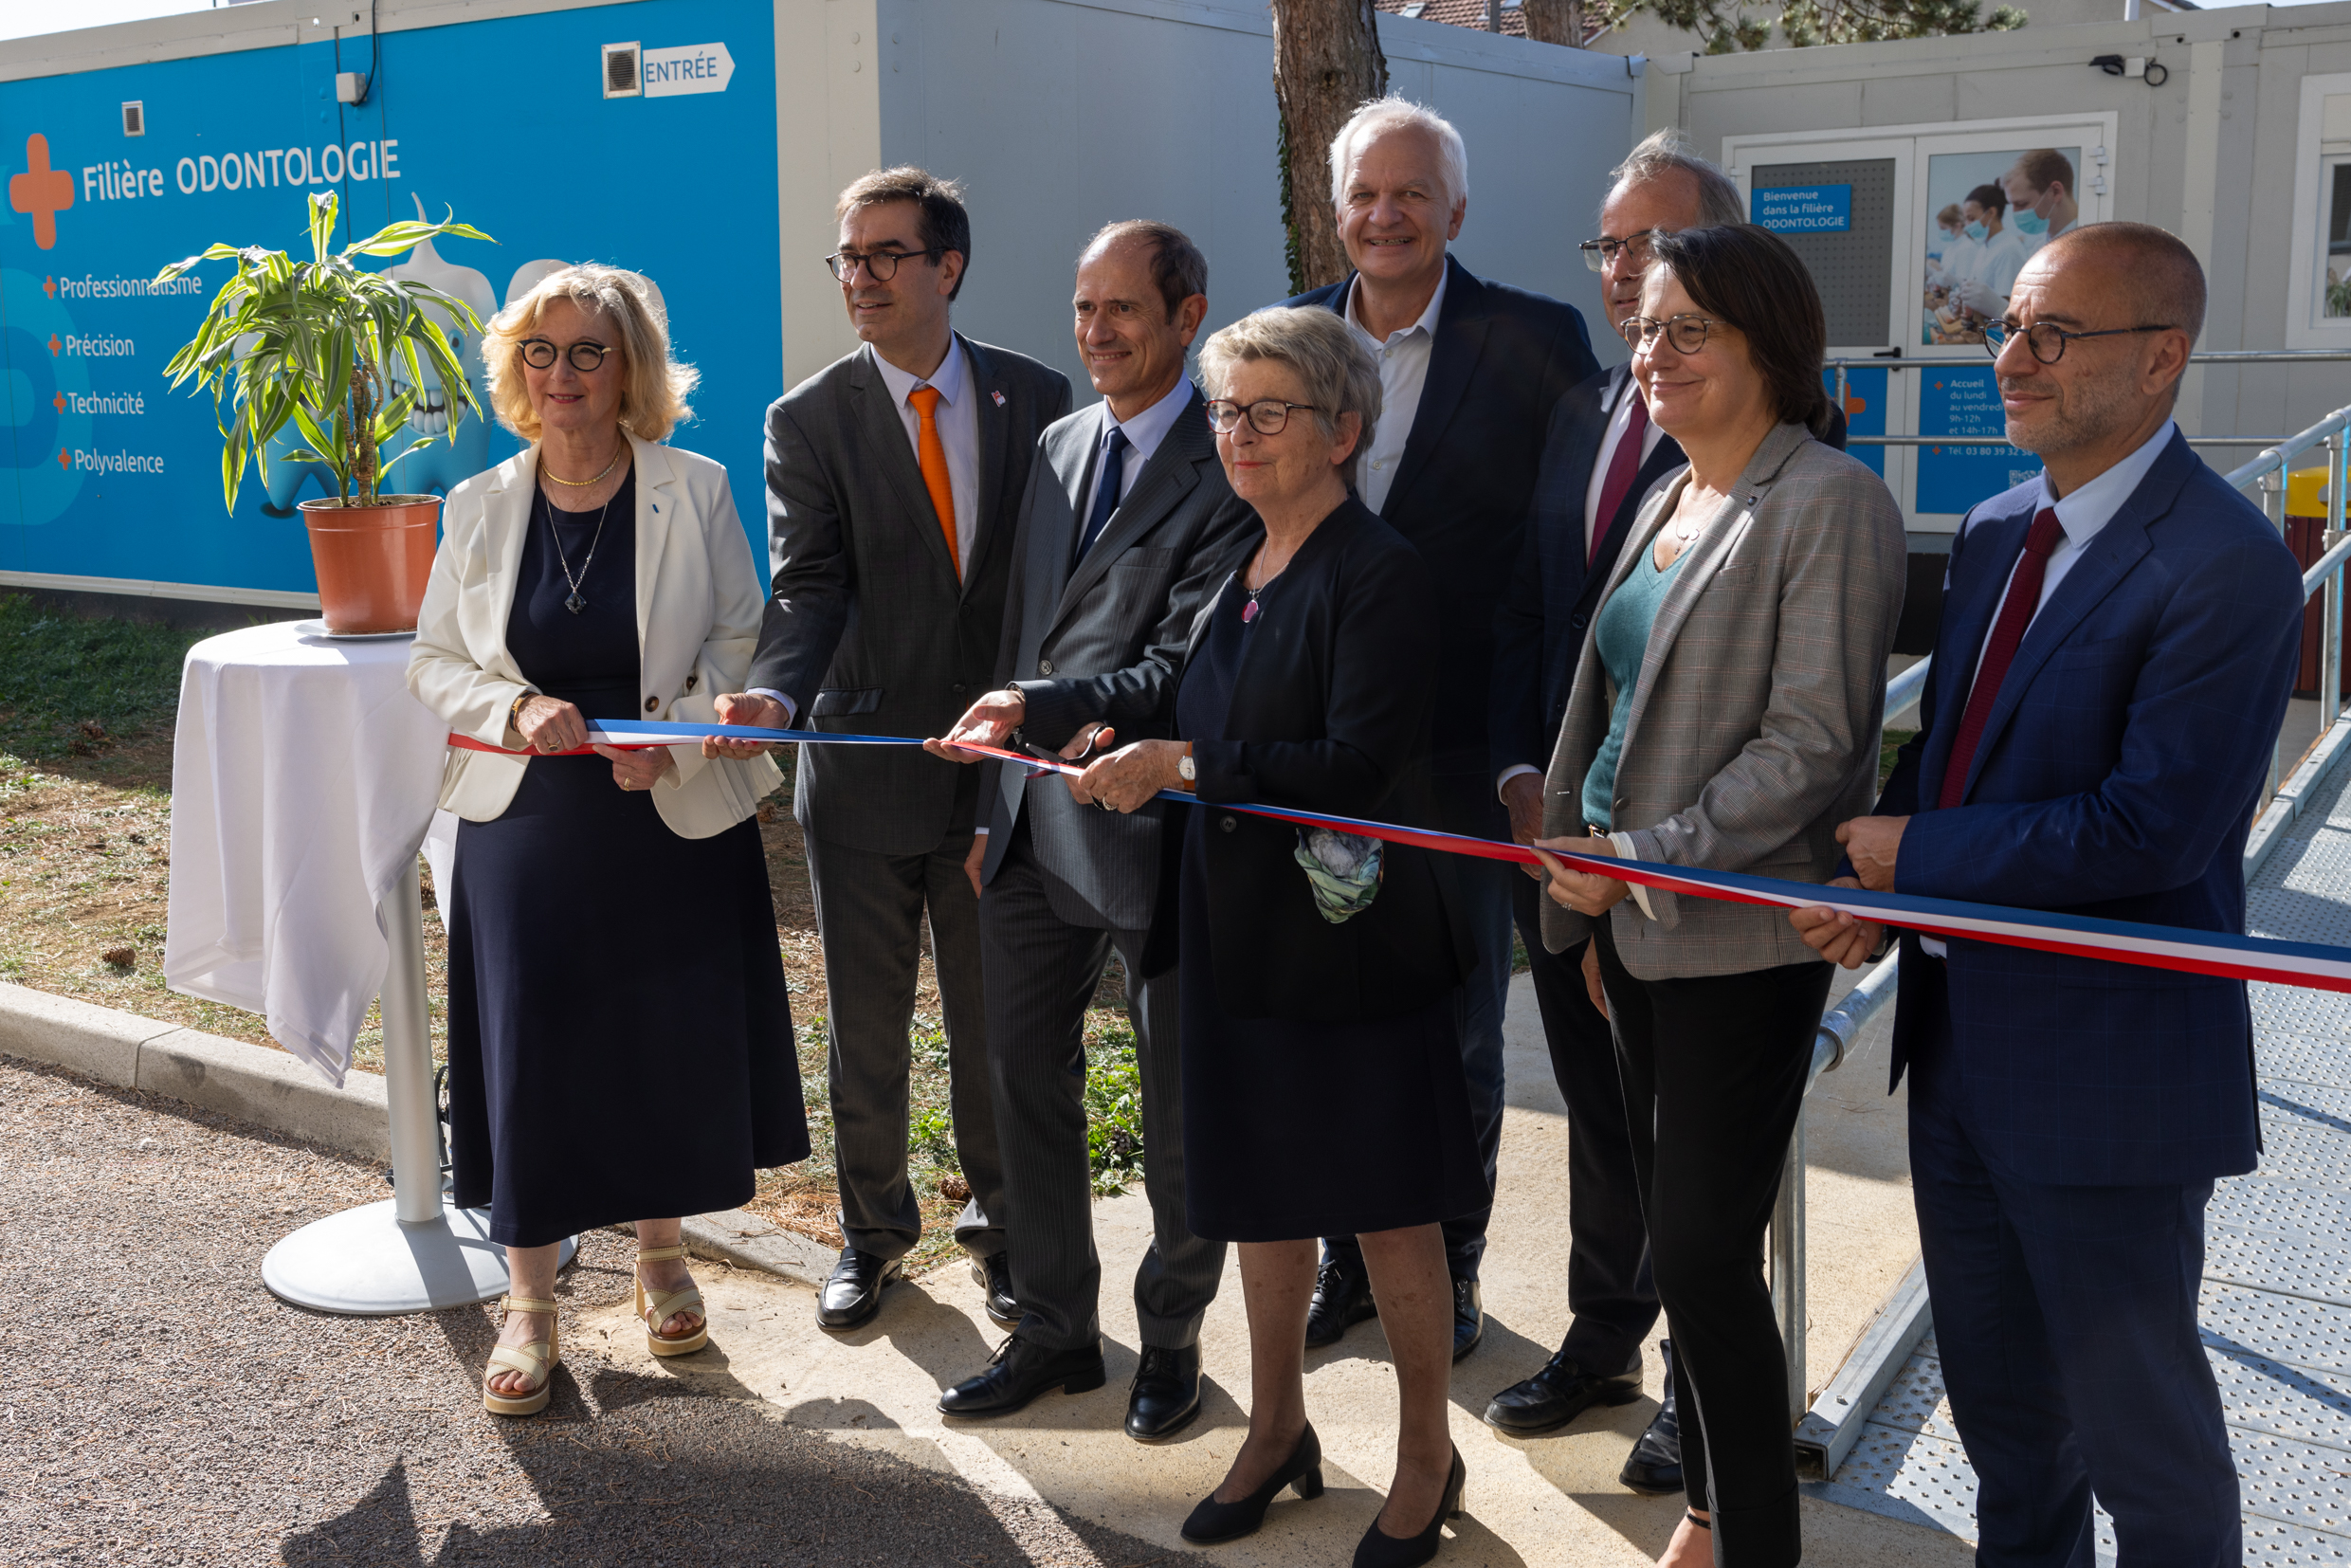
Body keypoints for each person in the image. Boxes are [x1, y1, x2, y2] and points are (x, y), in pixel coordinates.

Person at [1793, 224, 2303, 1568]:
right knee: (2007, 1434)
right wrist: (1883, 883)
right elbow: (1957, 761)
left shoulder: (2226, 563)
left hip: (2111, 1079)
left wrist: (1919, 863)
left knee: (2148, 1450)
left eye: (2051, 334)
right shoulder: (2002, 526)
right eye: (2007, 327)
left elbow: (2152, 827)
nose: (2010, 359)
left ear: (2161, 359)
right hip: (1961, 1060)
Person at [1073, 305, 1483, 1568]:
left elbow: (1355, 762)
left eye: (1267, 411)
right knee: (1254, 1193)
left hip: (1349, 949)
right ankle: (1280, 1429)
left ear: (1342, 428)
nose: (1237, 435)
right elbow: (1165, 686)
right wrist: (1053, 705)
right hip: (1231, 930)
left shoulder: (1381, 571)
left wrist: (1186, 759)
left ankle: (1425, 1452)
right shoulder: (1241, 555)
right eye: (1224, 411)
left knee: (1383, 1205)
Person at [1527, 225, 1905, 1568]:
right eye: (1646, 328)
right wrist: (1589, 884)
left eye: (1690, 330)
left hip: (1739, 941)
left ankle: (1756, 1540)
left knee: (1697, 1255)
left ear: (1770, 346)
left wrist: (1653, 854)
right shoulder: (1669, 494)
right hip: (1627, 920)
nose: (1653, 352)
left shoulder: (1829, 500)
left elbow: (1813, 746)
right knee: (1678, 1244)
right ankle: (1706, 1508)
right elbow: (1609, 705)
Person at [407, 264, 810, 1416]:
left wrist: (676, 743)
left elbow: (742, 646)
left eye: (590, 351)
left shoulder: (697, 486)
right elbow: (437, 662)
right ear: (515, 370)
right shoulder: (479, 500)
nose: (564, 374)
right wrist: (518, 710)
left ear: (631, 367)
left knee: (658, 1039)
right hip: (525, 813)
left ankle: (660, 1254)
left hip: (661, 814)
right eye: (542, 352)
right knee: (530, 1050)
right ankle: (530, 1307)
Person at [705, 168, 1072, 1333]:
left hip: (994, 782)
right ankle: (872, 1237)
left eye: (883, 256)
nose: (858, 277)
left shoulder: (1035, 397)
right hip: (859, 775)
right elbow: (808, 586)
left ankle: (1003, 1230)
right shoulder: (806, 419)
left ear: (945, 268)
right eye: (847, 258)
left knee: (991, 1026)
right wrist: (772, 694)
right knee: (868, 1029)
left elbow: (1045, 593)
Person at [1278, 94, 1600, 1365]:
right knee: (1330, 1013)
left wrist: (1547, 749)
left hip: (1466, 754)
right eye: (1366, 193)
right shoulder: (1290, 336)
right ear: (1337, 208)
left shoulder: (1536, 339)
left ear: (1455, 210)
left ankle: (1452, 1267)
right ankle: (1354, 1265)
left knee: (1460, 1029)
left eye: (1412, 193)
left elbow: (1561, 553)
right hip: (1313, 749)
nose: (1386, 214)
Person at [921, 221, 1250, 1438]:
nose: (1096, 332)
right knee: (1020, 1083)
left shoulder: (1230, 461)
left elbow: (1183, 666)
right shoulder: (1060, 443)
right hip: (1023, 826)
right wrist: (986, 795)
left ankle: (1171, 1342)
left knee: (1173, 1111)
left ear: (1187, 315)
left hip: (1148, 830)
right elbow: (1024, 631)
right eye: (1081, 307)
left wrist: (1044, 712)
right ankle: (1055, 1331)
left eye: (1122, 309)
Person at [1483, 128, 1740, 1495]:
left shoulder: (1767, 433)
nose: (1626, 268)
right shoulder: (1583, 407)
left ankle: (1701, 1400)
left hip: (1683, 861)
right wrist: (1523, 779)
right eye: (1611, 244)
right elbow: (1534, 609)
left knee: (1689, 1144)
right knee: (1595, 1103)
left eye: (1654, 239)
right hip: (1556, 835)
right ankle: (1603, 1337)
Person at [1951, 183, 2030, 328]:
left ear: (1991, 213)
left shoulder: (2009, 250)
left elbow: (2007, 310)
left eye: (1972, 218)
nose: (1967, 225)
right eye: (1966, 219)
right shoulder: (1985, 247)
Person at [2000, 148, 2079, 255]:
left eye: (2021, 204)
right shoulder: (2039, 248)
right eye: (2012, 204)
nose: (2015, 213)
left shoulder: (2092, 245)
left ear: (2055, 192)